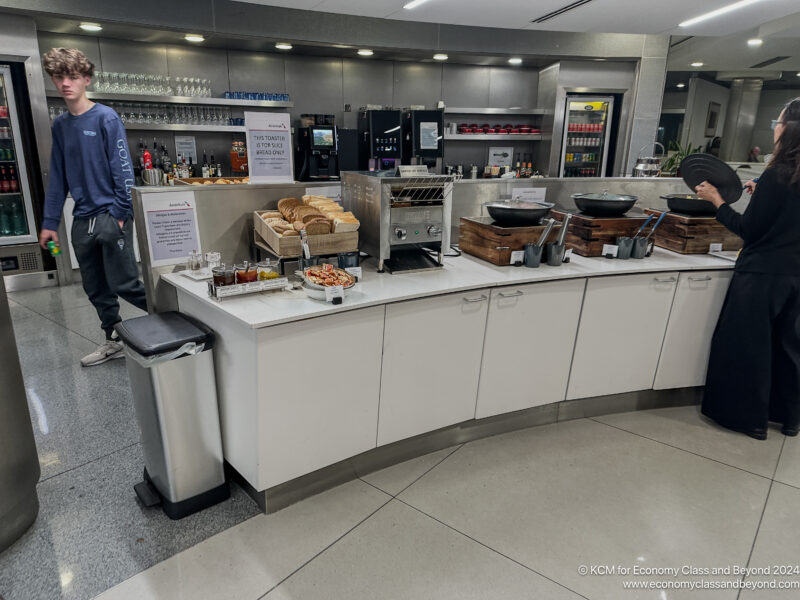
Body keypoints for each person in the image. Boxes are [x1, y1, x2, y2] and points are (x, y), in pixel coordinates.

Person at [695, 97, 800, 440]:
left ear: (789, 129)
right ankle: (788, 418)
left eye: (779, 122)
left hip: (762, 275)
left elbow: (749, 230)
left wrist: (717, 202)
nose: (776, 129)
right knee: (788, 348)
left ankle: (747, 419)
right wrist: (760, 195)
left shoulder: (778, 174)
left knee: (747, 347)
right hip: (795, 276)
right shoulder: (788, 177)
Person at [39, 48, 147, 367]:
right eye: (59, 77)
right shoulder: (60, 126)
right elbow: (57, 176)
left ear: (86, 79)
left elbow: (123, 169)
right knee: (96, 287)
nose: (65, 84)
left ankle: (173, 320)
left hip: (109, 216)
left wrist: (120, 215)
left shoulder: (105, 117)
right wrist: (49, 222)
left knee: (124, 283)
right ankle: (112, 338)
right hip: (81, 220)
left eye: (72, 77)